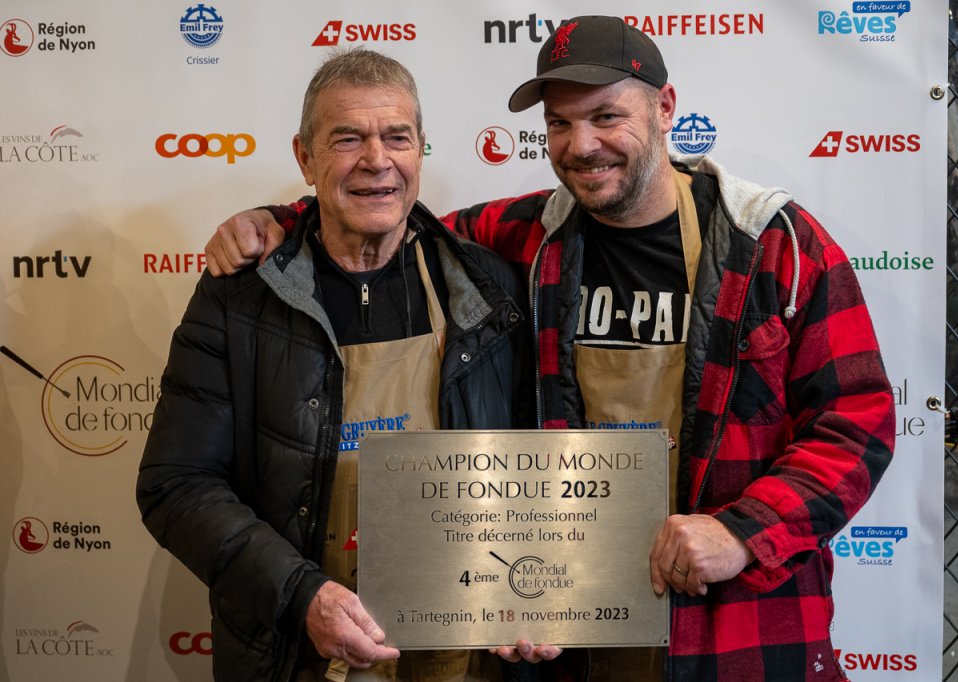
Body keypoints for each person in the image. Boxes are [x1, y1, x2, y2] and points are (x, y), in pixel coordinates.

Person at [203, 16, 896, 682]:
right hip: (576, 640)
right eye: (559, 124)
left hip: (738, 633)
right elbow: (382, 209)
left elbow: (858, 424)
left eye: (606, 116)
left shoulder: (775, 247)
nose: (581, 145)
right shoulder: (524, 237)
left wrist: (742, 532)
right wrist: (278, 220)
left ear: (664, 109)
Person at [136, 49, 533, 682]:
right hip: (298, 654)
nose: (377, 160)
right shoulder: (241, 297)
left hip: (460, 655)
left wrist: (535, 591)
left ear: (420, 150)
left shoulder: (485, 289)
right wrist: (302, 598)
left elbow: (532, 472)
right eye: (348, 139)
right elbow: (176, 484)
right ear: (305, 158)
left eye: (397, 137)